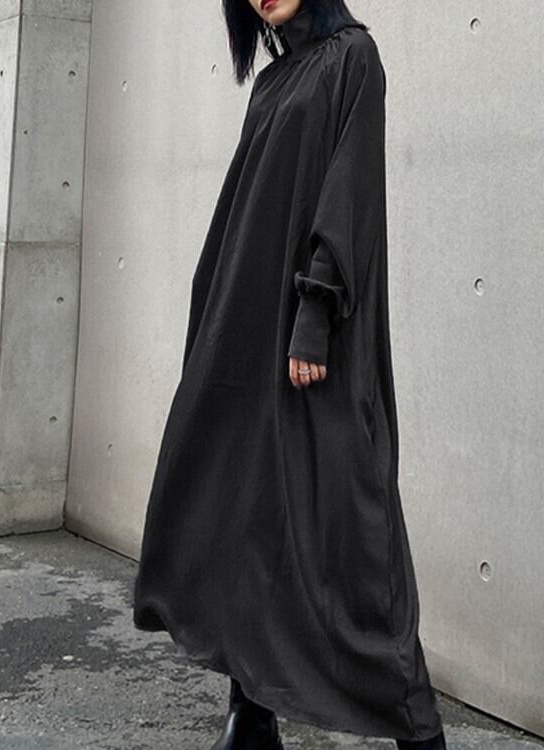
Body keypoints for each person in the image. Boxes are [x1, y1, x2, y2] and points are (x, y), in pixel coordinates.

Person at [132, 1, 448, 748]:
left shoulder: (354, 59)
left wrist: (315, 314)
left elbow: (350, 194)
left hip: (313, 334)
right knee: (241, 513)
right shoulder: (274, 83)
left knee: (350, 528)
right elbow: (247, 214)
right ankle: (250, 716)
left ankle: (417, 729)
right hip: (242, 333)